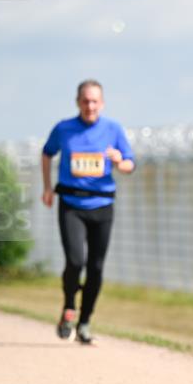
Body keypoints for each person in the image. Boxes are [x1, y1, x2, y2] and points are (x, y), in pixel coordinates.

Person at [41, 79, 135, 344]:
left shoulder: (113, 129)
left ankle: (85, 321)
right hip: (71, 205)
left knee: (95, 267)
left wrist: (119, 161)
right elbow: (47, 154)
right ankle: (69, 305)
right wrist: (48, 188)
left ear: (102, 103)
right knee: (75, 260)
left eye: (94, 101)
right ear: (77, 102)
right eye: (85, 101)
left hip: (102, 206)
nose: (90, 106)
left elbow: (130, 164)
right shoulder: (64, 129)